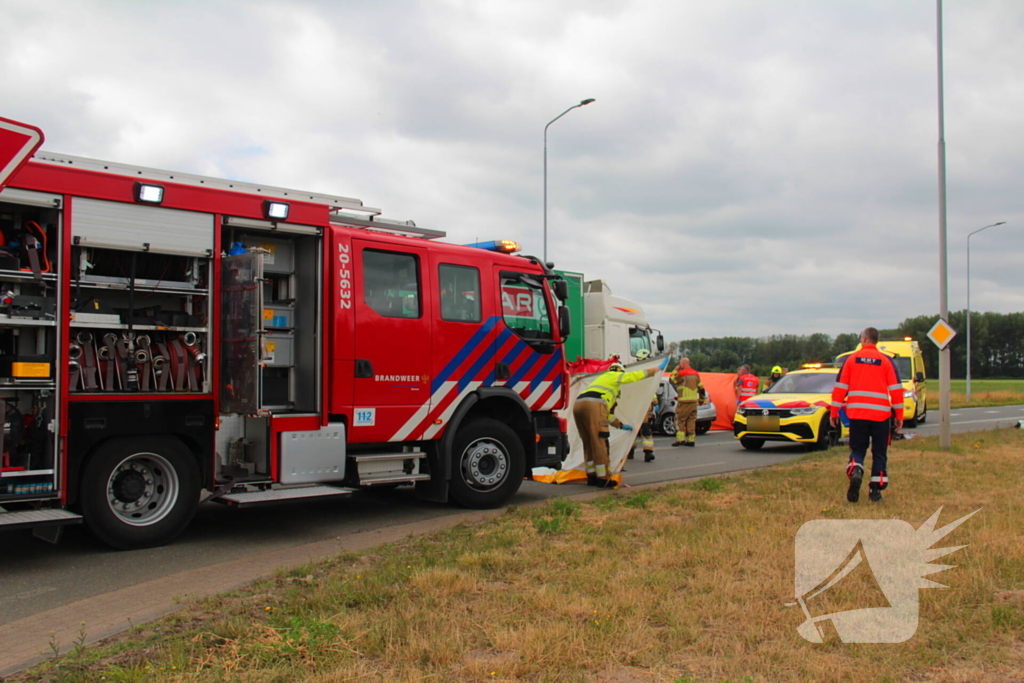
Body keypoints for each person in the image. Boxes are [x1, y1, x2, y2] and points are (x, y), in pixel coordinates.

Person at [830, 327, 904, 503]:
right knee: (879, 452)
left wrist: (834, 411)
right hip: (881, 415)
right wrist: (899, 415)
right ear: (876, 341)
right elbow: (896, 390)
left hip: (857, 414)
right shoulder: (886, 361)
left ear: (863, 339)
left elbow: (840, 388)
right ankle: (875, 491)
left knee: (857, 449)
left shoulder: (851, 360)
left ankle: (856, 469)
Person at [573, 361, 659, 487]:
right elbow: (634, 376)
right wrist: (655, 370)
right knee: (599, 442)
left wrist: (621, 425)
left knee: (589, 442)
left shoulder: (600, 381)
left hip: (579, 406)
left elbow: (608, 415)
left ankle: (591, 477)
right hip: (594, 405)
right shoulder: (614, 375)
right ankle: (603, 478)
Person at [670, 357, 707, 447]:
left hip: (683, 401)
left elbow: (672, 380)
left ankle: (680, 440)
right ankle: (691, 441)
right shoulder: (696, 374)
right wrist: (701, 399)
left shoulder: (681, 373)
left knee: (679, 420)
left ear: (683, 364)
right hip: (693, 402)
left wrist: (675, 370)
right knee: (691, 421)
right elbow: (701, 389)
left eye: (680, 364)